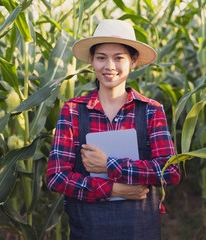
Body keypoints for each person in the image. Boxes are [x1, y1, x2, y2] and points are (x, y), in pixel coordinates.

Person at [46, 19, 181, 240]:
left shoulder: (151, 111)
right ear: (91, 61)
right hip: (88, 230)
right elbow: (56, 177)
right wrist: (114, 190)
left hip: (140, 230)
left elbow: (170, 171)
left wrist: (109, 165)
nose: (109, 66)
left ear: (133, 61)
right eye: (101, 58)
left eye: (119, 58)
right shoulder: (72, 110)